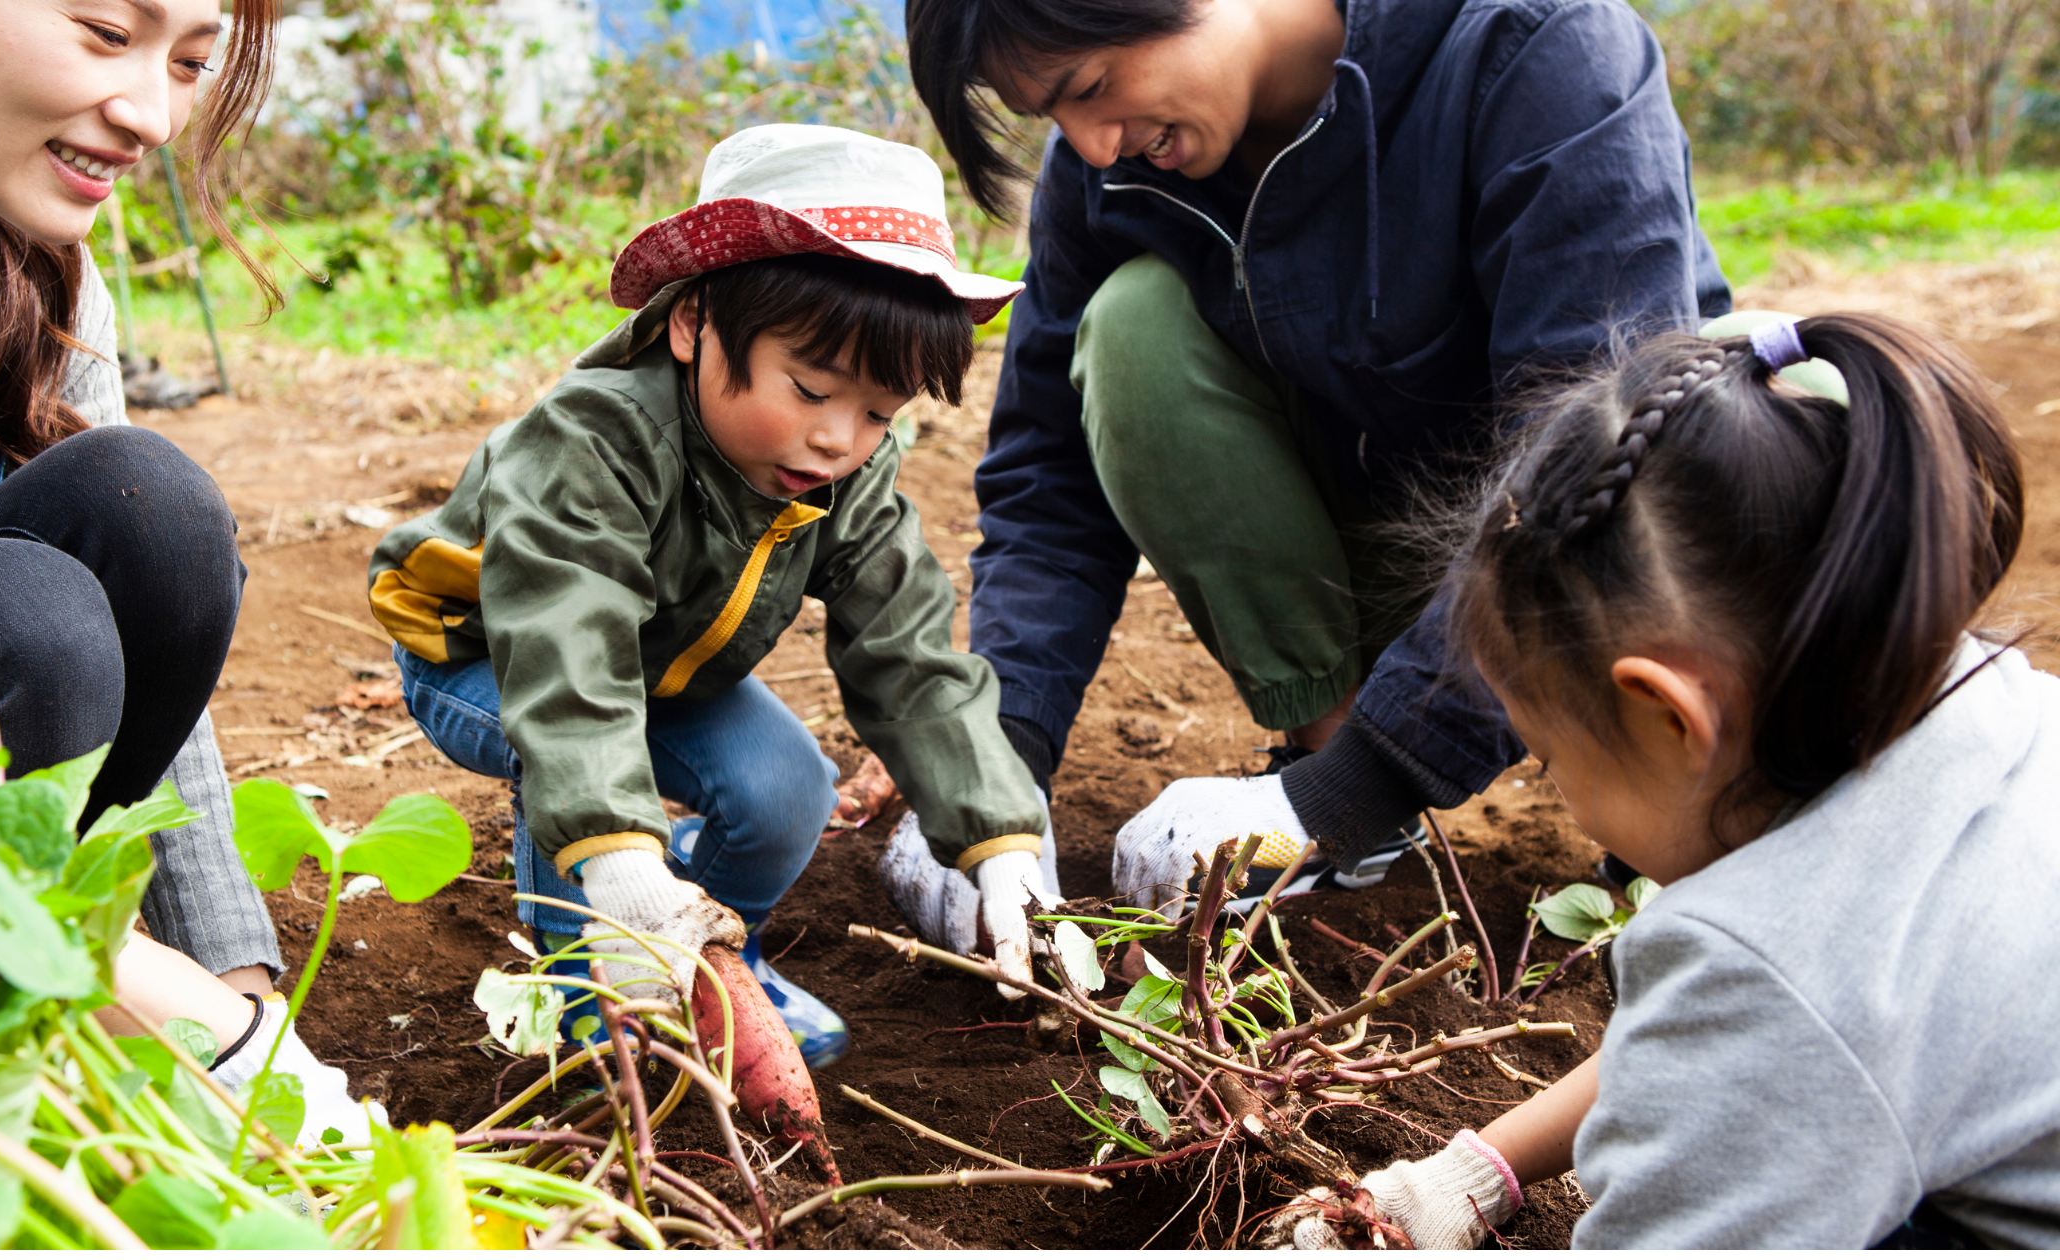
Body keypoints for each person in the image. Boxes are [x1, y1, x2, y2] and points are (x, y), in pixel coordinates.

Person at [898, 0, 1732, 922]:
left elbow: (1595, 465)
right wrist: (995, 764)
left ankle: (1659, 800)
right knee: (1132, 329)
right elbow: (1048, 482)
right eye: (1055, 117)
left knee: (1769, 432)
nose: (1093, 147)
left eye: (1092, 87)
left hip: (1582, 570)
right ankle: (1340, 784)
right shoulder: (1111, 176)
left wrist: (1344, 794)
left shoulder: (1533, 48)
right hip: (1371, 566)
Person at [1276, 312, 2051, 1248]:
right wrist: (1475, 1175)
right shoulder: (1990, 706)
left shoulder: (1771, 968)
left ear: (1671, 716)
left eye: (1551, 759)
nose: (1558, 789)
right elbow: (1769, 1039)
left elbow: (1768, 1016)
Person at [367, 124, 1052, 1065]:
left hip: (656, 665)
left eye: (879, 413)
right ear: (691, 325)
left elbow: (913, 660)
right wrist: (617, 857)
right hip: (487, 656)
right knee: (581, 774)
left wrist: (1003, 843)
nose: (838, 440)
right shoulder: (596, 440)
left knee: (786, 787)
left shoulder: (848, 479)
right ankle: (588, 985)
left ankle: (719, 957)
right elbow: (567, 653)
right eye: (811, 389)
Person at [0, 0, 358, 1129]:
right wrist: (159, 1003)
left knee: (151, 511)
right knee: (25, 613)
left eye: (191, 63)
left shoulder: (48, 285)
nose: (152, 114)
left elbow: (155, 672)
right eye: (107, 32)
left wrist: (245, 1004)